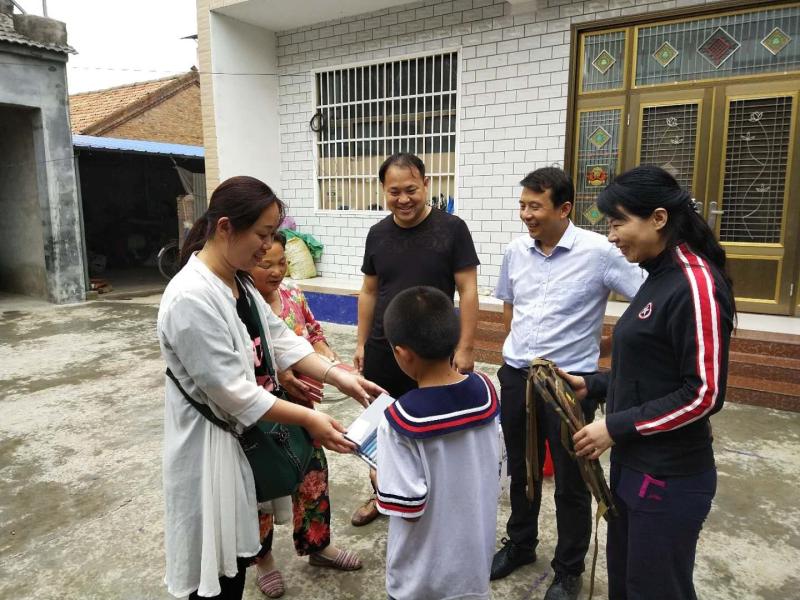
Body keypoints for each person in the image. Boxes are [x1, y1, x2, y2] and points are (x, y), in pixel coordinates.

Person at [158, 176, 383, 600]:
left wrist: (341, 377)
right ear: (225, 227)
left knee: (235, 561)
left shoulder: (238, 282)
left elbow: (282, 340)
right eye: (262, 234)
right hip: (210, 450)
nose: (268, 247)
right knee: (217, 567)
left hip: (241, 443)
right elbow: (234, 393)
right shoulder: (191, 298)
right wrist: (311, 418)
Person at [563, 165, 735, 600]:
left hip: (669, 477)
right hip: (634, 466)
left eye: (619, 222)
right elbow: (652, 366)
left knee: (655, 589)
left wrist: (615, 427)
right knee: (626, 584)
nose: (612, 235)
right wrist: (596, 386)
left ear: (658, 218)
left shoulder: (694, 284)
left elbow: (703, 393)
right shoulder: (657, 275)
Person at [492, 167, 645, 599]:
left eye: (535, 206)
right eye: (522, 205)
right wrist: (517, 354)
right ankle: (520, 544)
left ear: (564, 208)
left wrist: (612, 348)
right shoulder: (515, 251)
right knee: (521, 469)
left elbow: (649, 300)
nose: (526, 214)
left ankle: (568, 568)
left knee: (572, 479)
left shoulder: (600, 252)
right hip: (517, 376)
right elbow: (509, 307)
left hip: (568, 385)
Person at [351, 152, 480, 527]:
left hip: (433, 354)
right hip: (384, 348)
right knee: (380, 426)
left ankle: (430, 498)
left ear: (426, 185)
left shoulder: (452, 229)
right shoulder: (377, 234)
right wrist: (361, 343)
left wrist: (466, 347)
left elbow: (468, 290)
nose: (403, 199)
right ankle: (381, 493)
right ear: (383, 191)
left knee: (432, 429)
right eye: (394, 192)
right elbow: (369, 291)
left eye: (411, 189)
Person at [247, 231, 360, 598]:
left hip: (305, 412)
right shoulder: (238, 305)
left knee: (313, 476)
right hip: (259, 417)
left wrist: (334, 366)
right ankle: (263, 561)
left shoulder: (293, 294)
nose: (277, 271)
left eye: (282, 263)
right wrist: (281, 374)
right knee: (261, 487)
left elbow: (313, 335)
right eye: (266, 264)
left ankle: (318, 546)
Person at [376, 286, 500, 600]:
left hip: (421, 581)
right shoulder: (486, 392)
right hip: (472, 570)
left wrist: (379, 478)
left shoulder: (401, 420)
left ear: (402, 353)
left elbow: (407, 504)